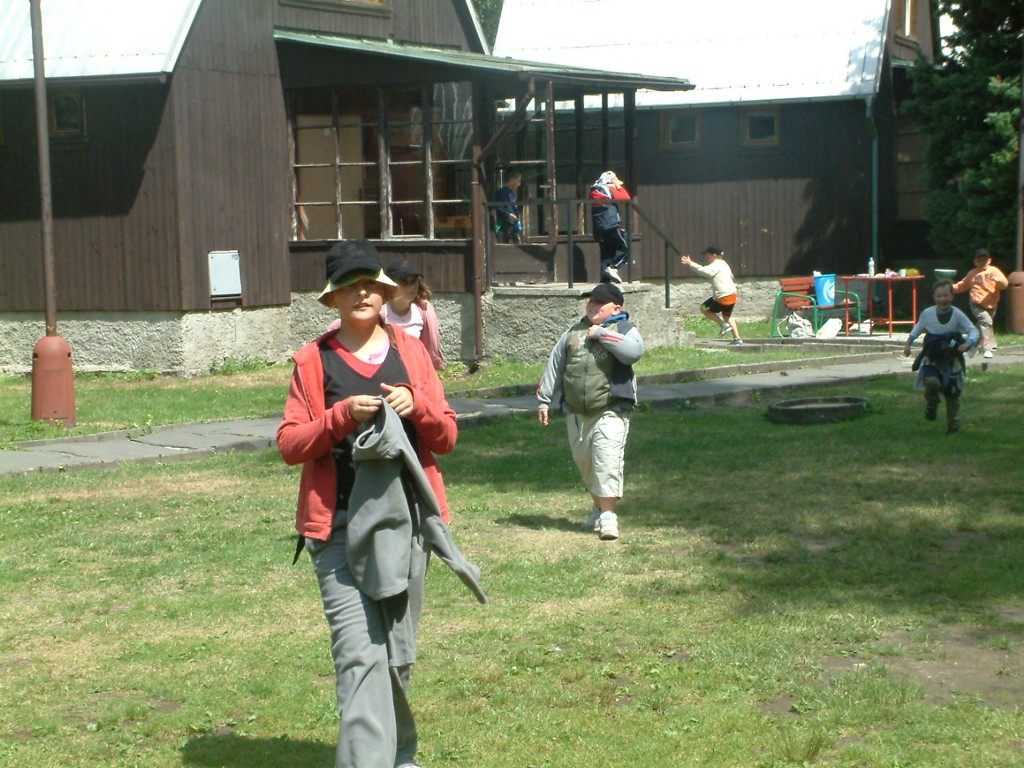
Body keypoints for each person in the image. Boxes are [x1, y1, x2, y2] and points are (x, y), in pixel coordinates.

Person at [277, 240, 484, 768]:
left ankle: (399, 756)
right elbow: (290, 445)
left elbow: (447, 437)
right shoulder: (313, 361)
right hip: (338, 529)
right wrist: (340, 416)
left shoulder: (410, 353)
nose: (362, 293)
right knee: (358, 656)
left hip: (406, 526)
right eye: (350, 285)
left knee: (395, 655)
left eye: (371, 283)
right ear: (333, 298)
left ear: (386, 292)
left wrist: (419, 408)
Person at [536, 282, 644, 541]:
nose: (593, 306)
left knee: (606, 461)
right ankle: (598, 508)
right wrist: (543, 400)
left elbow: (634, 352)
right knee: (587, 465)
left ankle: (608, 517)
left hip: (611, 409)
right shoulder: (572, 333)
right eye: (590, 301)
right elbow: (555, 366)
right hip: (576, 413)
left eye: (599, 302)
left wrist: (602, 334)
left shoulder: (624, 329)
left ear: (616, 308)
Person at [903, 278, 979, 435]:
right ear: (934, 297)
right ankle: (932, 404)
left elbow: (973, 331)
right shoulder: (927, 314)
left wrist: (968, 343)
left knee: (952, 395)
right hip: (932, 358)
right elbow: (917, 329)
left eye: (946, 295)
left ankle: (953, 427)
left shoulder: (957, 315)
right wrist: (908, 344)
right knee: (931, 382)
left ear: (952, 296)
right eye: (939, 296)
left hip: (952, 359)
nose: (943, 299)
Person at [382, 258, 445, 372]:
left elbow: (429, 347)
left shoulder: (423, 310)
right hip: (385, 372)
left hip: (415, 371)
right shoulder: (380, 312)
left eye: (413, 281)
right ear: (390, 285)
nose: (411, 287)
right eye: (404, 282)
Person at [952, 248, 1008, 359]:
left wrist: (998, 281)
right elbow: (962, 285)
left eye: (984, 260)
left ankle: (971, 345)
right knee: (986, 322)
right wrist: (950, 288)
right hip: (976, 303)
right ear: (975, 262)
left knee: (981, 326)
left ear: (989, 260)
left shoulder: (994, 271)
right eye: (979, 260)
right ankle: (988, 348)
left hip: (992, 304)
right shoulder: (973, 273)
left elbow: (1004, 284)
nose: (982, 262)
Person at [681, 245, 743, 345]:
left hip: (723, 296)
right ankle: (737, 339)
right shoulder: (724, 264)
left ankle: (724, 325)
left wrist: (691, 263)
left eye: (708, 255)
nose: (707, 257)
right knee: (727, 317)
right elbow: (731, 276)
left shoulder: (716, 264)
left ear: (714, 255)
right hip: (732, 295)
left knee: (704, 308)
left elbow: (705, 272)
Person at [589, 170, 632, 284]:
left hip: (600, 226)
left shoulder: (595, 190)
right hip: (611, 224)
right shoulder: (606, 189)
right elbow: (625, 198)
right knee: (626, 248)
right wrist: (618, 186)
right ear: (609, 181)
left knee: (607, 254)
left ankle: (605, 282)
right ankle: (613, 268)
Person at [495, 172, 523, 243]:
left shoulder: (511, 193)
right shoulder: (502, 192)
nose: (519, 183)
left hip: (512, 225)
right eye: (518, 180)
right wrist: (508, 215)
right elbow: (498, 207)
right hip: (504, 226)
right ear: (512, 179)